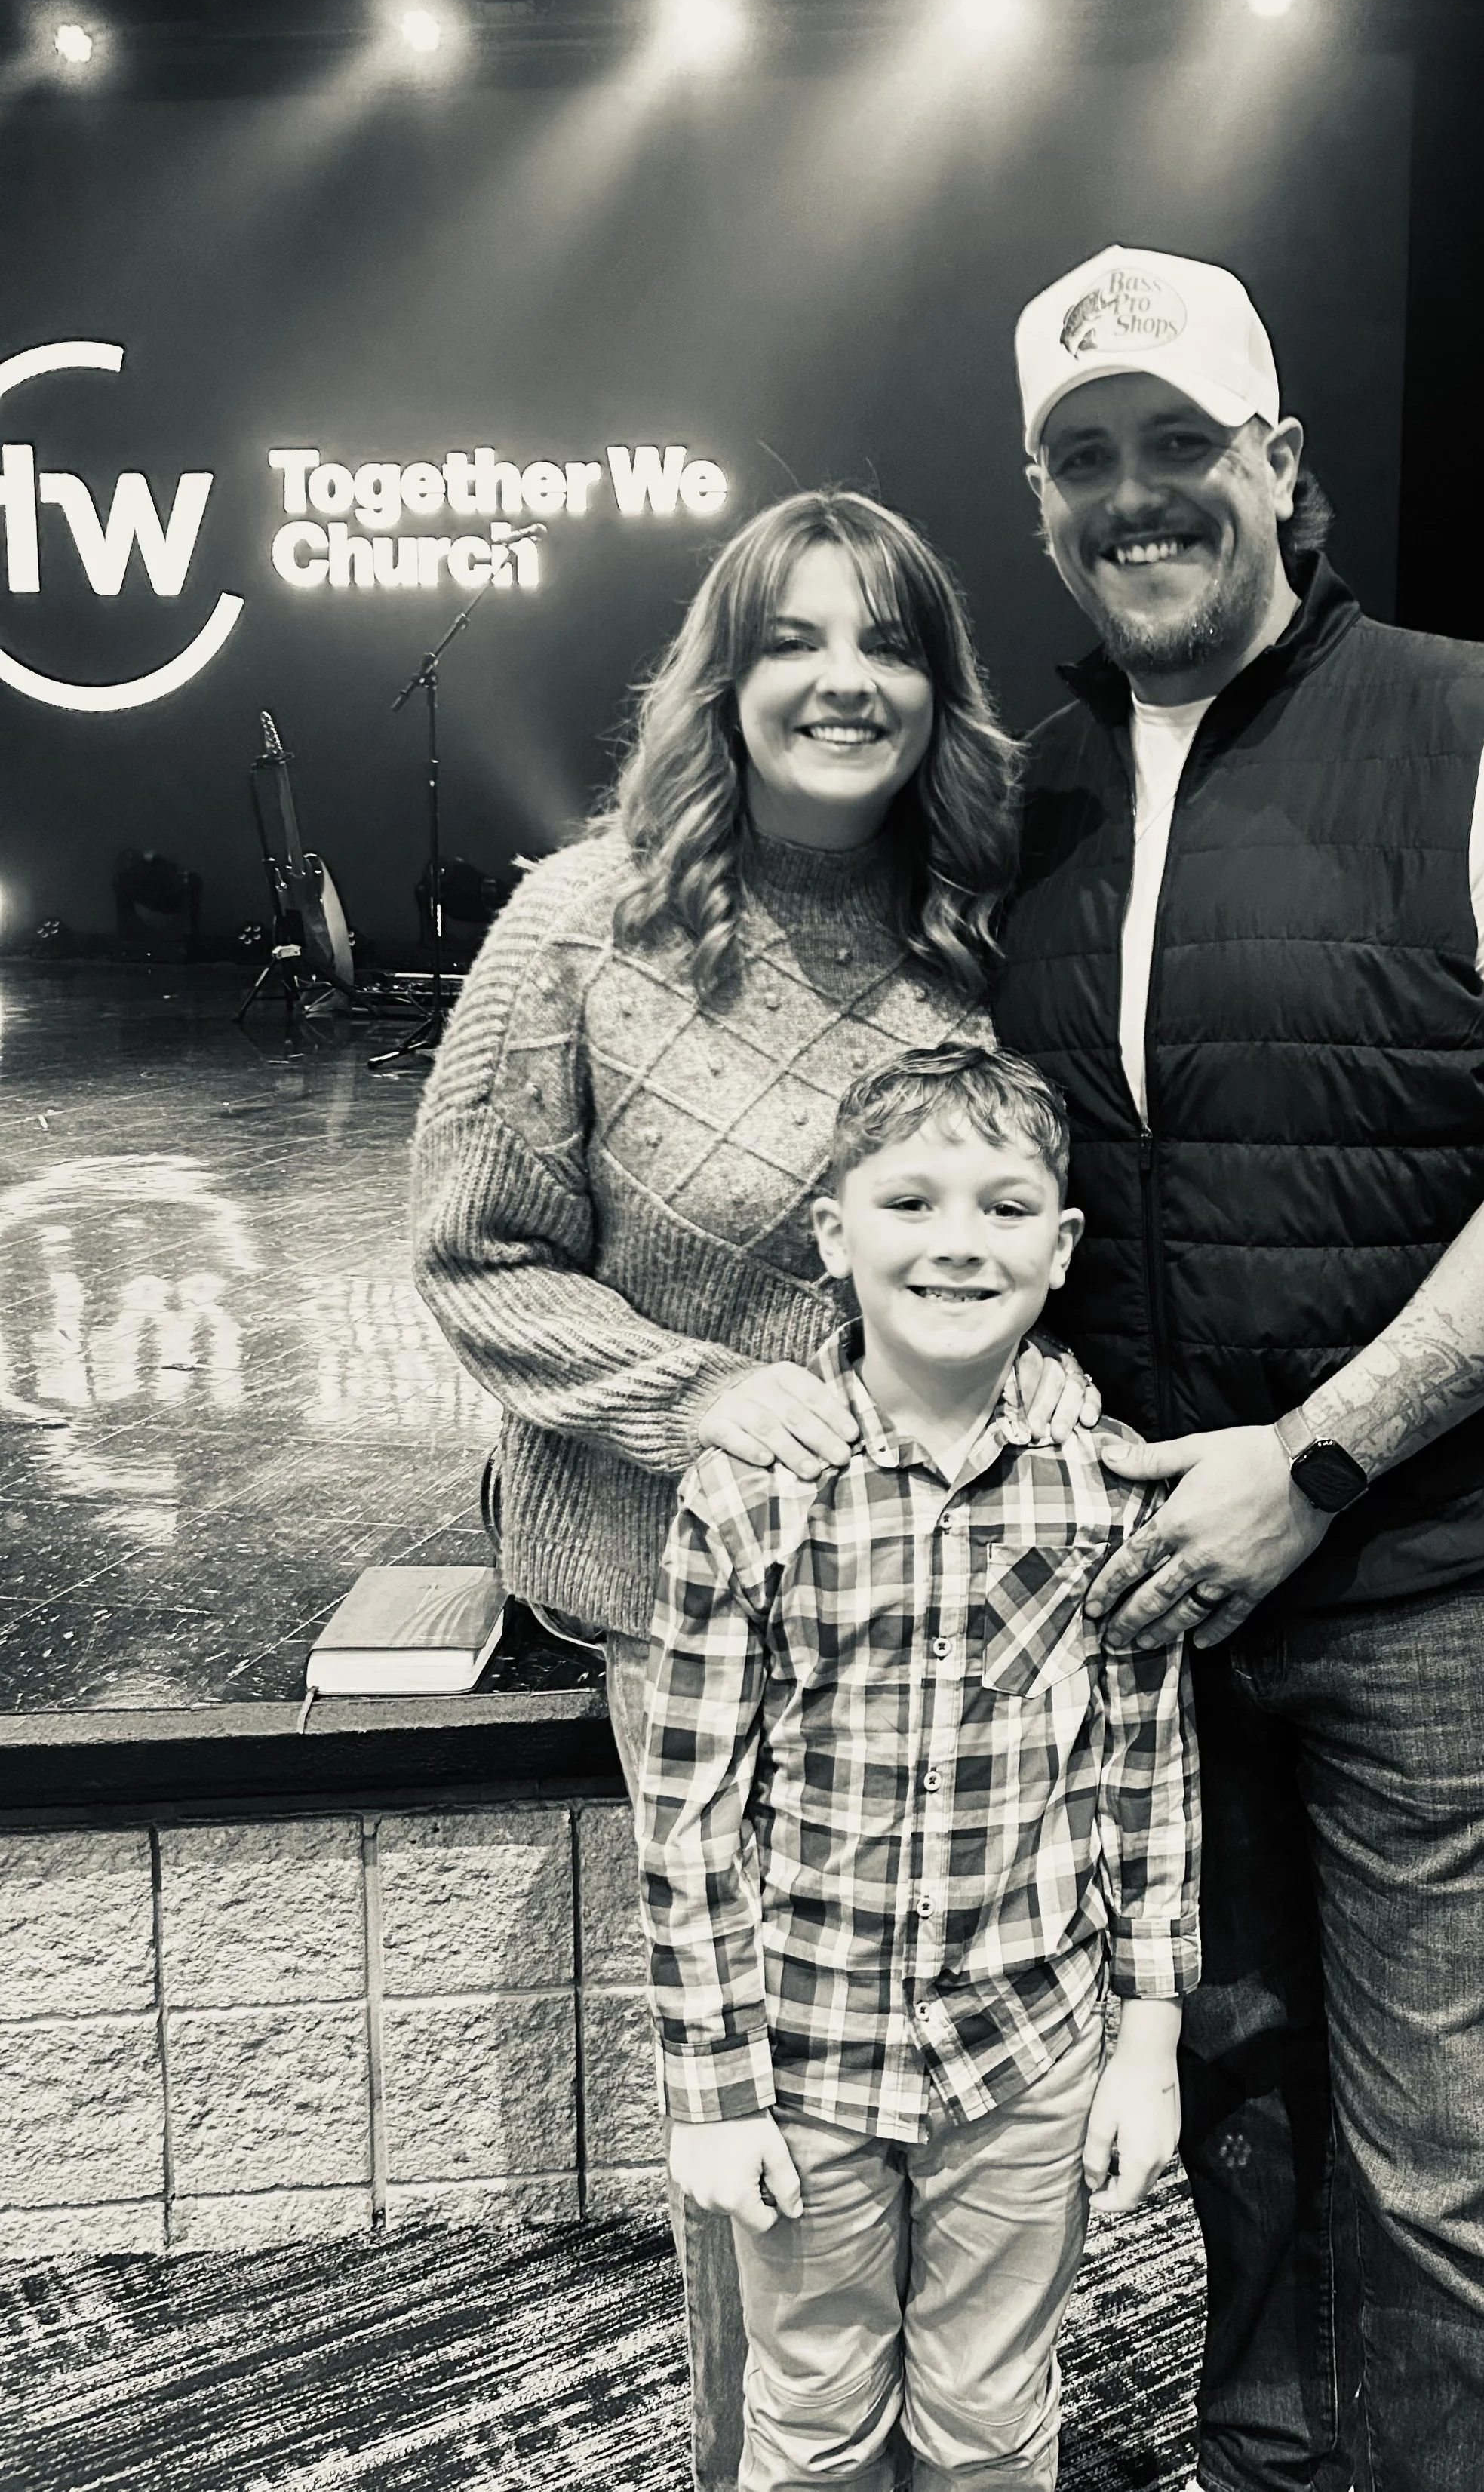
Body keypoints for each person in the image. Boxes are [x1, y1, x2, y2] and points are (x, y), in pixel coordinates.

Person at [988, 247, 1484, 2490]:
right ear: (1039, 505)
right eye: (1083, 459)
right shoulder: (1033, 784)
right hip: (1149, 1616)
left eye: (1179, 443)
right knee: (1239, 2123)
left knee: (1450, 2188)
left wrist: (1313, 1454)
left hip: (1421, 1586)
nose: (1136, 496)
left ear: (1279, 465)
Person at [411, 491, 1085, 2492]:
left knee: (955, 2122)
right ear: (725, 679)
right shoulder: (581, 920)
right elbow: (472, 1256)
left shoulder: (984, 927)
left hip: (947, 1600)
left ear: (935, 692)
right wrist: (693, 1394)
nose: (839, 678)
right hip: (680, 1592)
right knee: (767, 2121)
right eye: (788, 638)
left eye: (883, 640)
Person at [634, 1040, 1200, 2492]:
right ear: (833, 1234)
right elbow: (688, 1810)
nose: (959, 1241)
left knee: (990, 2415)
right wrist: (709, 2081)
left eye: (1007, 1208)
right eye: (911, 1202)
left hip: (1028, 2054)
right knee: (811, 2413)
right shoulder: (749, 1493)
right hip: (804, 2054)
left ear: (1063, 1248)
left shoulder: (1105, 1481)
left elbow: (1147, 1774)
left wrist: (1147, 2043)